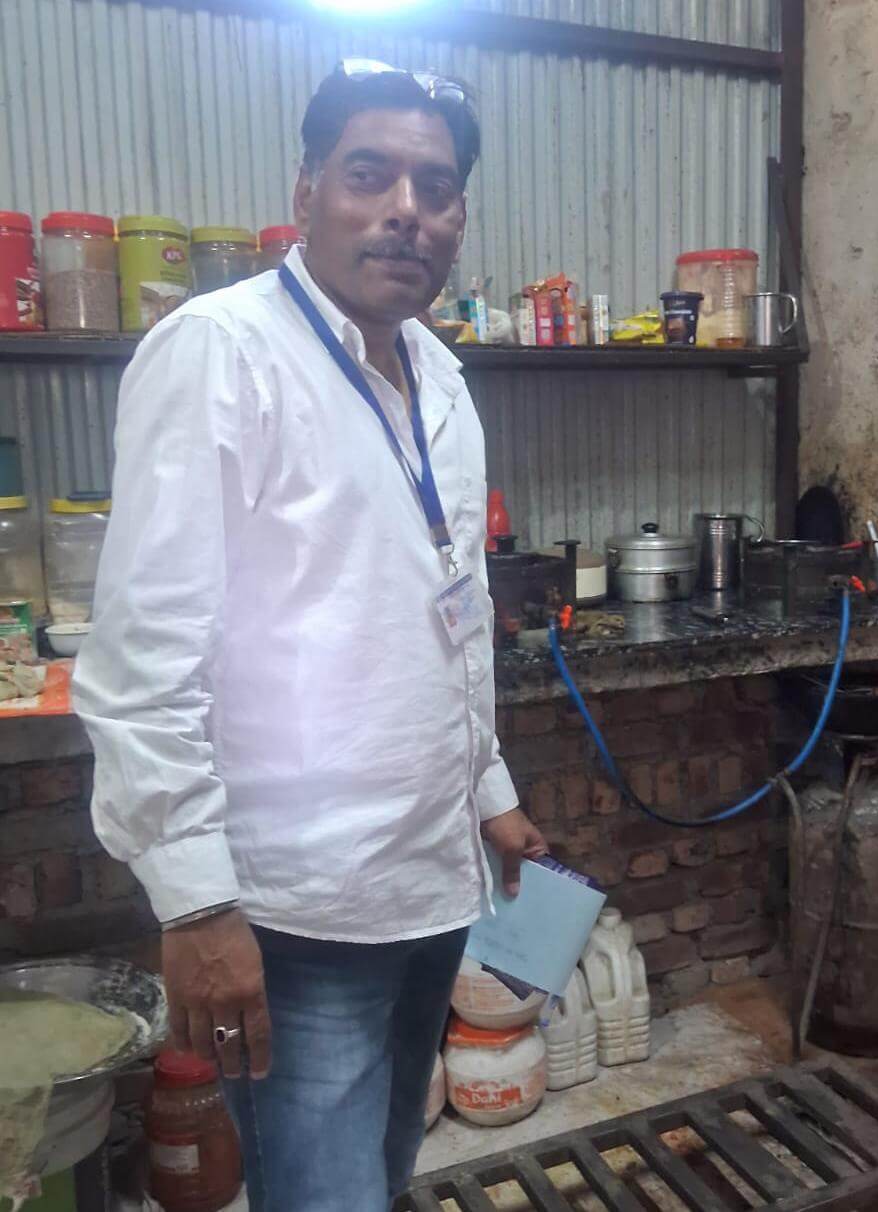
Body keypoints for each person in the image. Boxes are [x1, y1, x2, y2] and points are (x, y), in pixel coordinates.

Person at [73, 61, 547, 1211]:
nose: (406, 210)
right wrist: (195, 904)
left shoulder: (439, 376)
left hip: (429, 879)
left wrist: (488, 786)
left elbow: (444, 609)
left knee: (379, 1173)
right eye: (369, 174)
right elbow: (141, 663)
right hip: (295, 911)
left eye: (437, 187)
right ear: (307, 190)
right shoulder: (221, 352)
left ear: (460, 217)